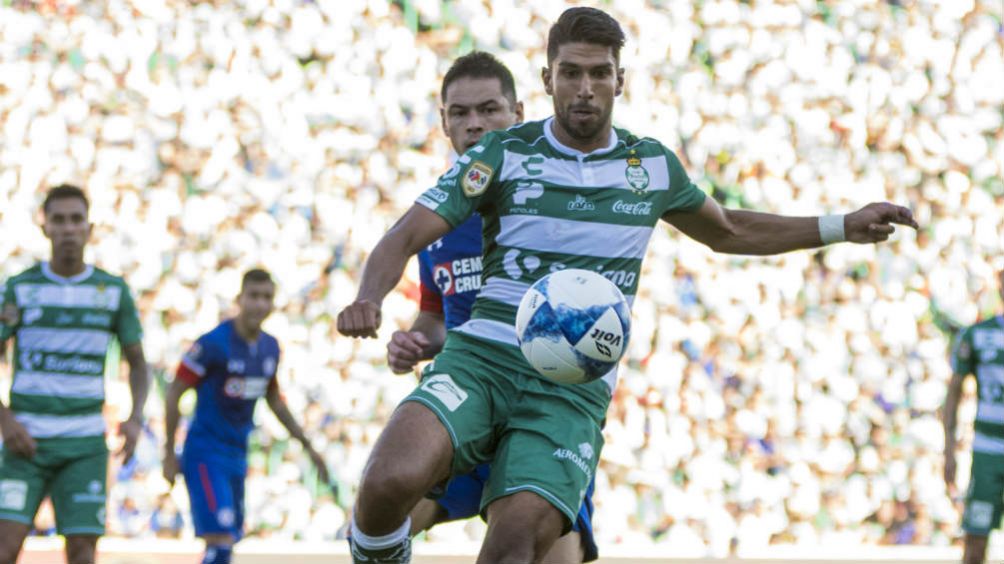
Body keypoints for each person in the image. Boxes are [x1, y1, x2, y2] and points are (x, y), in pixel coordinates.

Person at [337, 7, 918, 563]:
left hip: (567, 389)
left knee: (513, 548)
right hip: (481, 361)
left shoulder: (652, 167)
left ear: (621, 80)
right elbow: (405, 234)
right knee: (387, 481)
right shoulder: (503, 151)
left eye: (598, 73)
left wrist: (842, 225)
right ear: (547, 79)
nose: (584, 88)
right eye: (570, 73)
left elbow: (730, 229)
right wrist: (368, 297)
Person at [385, 51, 597, 563]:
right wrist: (414, 342)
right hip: (466, 406)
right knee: (374, 523)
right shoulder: (435, 219)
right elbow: (436, 315)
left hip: (539, 414)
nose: (474, 124)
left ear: (518, 114)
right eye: (460, 113)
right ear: (444, 123)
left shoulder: (559, 200)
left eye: (489, 110)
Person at [0, 184, 151, 564]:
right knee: (5, 546)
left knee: (83, 551)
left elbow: (138, 362)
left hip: (84, 443)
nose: (68, 228)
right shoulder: (19, 289)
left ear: (89, 227)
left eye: (76, 220)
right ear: (45, 227)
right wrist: (4, 419)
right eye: (59, 220)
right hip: (25, 440)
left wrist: (134, 419)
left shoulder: (112, 291)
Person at [162, 268, 330, 564]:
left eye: (267, 297)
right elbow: (175, 391)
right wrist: (168, 452)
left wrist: (309, 447)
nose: (260, 304)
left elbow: (274, 400)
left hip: (238, 455)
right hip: (206, 452)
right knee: (221, 541)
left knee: (231, 539)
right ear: (240, 299)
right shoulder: (213, 343)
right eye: (254, 296)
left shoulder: (270, 347)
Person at [944, 268, 1004, 564]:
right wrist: (949, 452)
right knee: (975, 542)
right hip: (988, 451)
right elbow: (954, 393)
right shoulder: (979, 335)